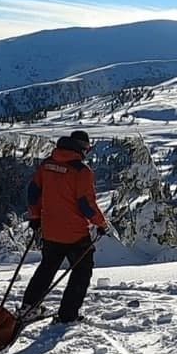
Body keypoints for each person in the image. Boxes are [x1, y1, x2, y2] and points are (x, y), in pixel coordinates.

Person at [19, 130, 108, 324]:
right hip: (75, 233)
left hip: (50, 229)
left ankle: (28, 308)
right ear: (82, 148)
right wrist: (101, 223)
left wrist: (35, 217)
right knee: (81, 271)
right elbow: (86, 204)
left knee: (47, 268)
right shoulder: (81, 171)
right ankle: (68, 315)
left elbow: (33, 192)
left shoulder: (47, 164)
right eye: (87, 149)